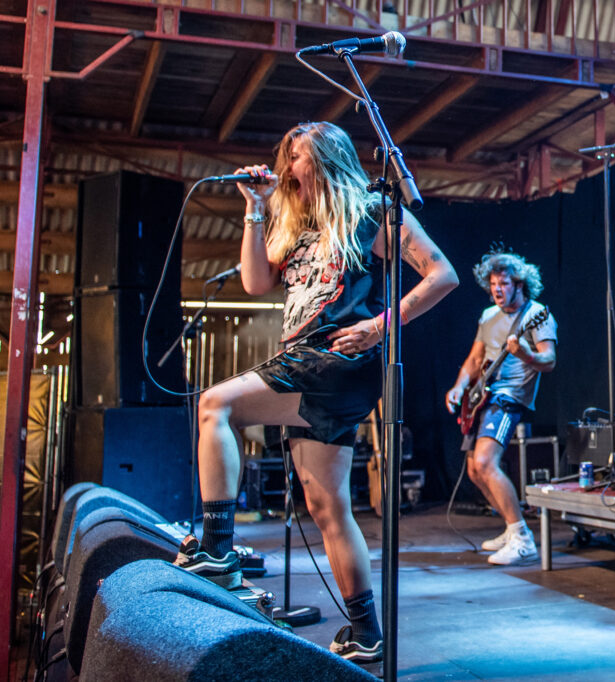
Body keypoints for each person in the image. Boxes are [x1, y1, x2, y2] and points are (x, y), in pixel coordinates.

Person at [173, 121, 459, 664]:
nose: (287, 168)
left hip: (335, 361)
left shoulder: (370, 211)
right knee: (327, 506)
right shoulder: (296, 225)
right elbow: (255, 283)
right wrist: (256, 206)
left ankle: (217, 548)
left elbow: (442, 274)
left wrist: (379, 326)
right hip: (306, 360)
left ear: (326, 160)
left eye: (298, 156)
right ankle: (365, 632)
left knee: (215, 403)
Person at [444, 250, 557, 566]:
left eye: (504, 283)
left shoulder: (537, 314)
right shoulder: (488, 316)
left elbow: (549, 360)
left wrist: (525, 355)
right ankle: (511, 528)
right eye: (493, 283)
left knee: (485, 462)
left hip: (510, 396)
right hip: (483, 396)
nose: (497, 289)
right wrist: (459, 387)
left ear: (519, 284)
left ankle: (522, 537)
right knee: (474, 470)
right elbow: (475, 359)